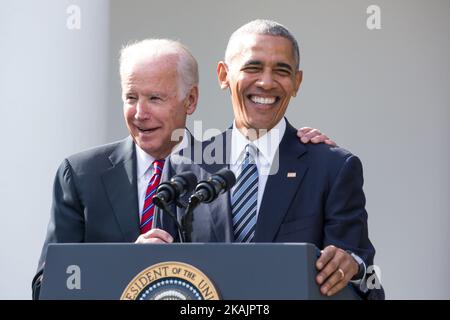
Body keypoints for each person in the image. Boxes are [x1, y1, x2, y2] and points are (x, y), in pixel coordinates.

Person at [32, 38, 332, 299]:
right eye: (131, 97)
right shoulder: (82, 175)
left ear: (190, 100)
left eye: (154, 98)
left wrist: (301, 148)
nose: (140, 113)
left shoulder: (225, 169)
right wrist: (123, 264)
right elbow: (47, 286)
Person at [167, 19, 384, 299]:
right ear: (223, 75)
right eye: (253, 67)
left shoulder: (332, 168)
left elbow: (369, 285)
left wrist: (353, 267)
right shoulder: (185, 166)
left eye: (281, 71)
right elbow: (161, 275)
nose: (266, 83)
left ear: (296, 82)